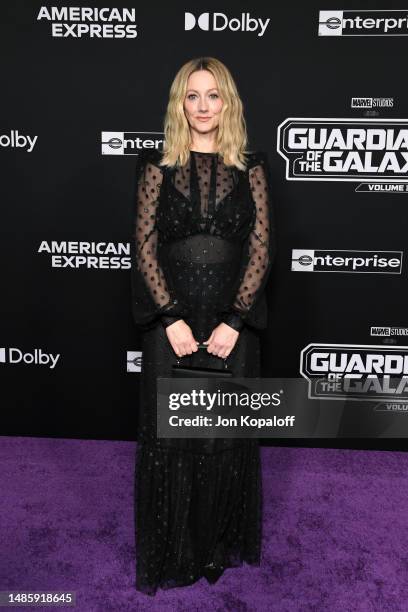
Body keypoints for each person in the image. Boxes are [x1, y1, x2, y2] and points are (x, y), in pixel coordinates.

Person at [130, 56, 277, 596]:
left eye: (213, 95)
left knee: (221, 436)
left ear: (228, 103)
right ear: (179, 104)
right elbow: (144, 249)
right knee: (171, 438)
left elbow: (261, 249)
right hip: (169, 326)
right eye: (192, 96)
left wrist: (236, 320)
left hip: (229, 328)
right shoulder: (157, 166)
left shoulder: (251, 168)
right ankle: (175, 551)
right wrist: (168, 317)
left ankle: (216, 547)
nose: (202, 107)